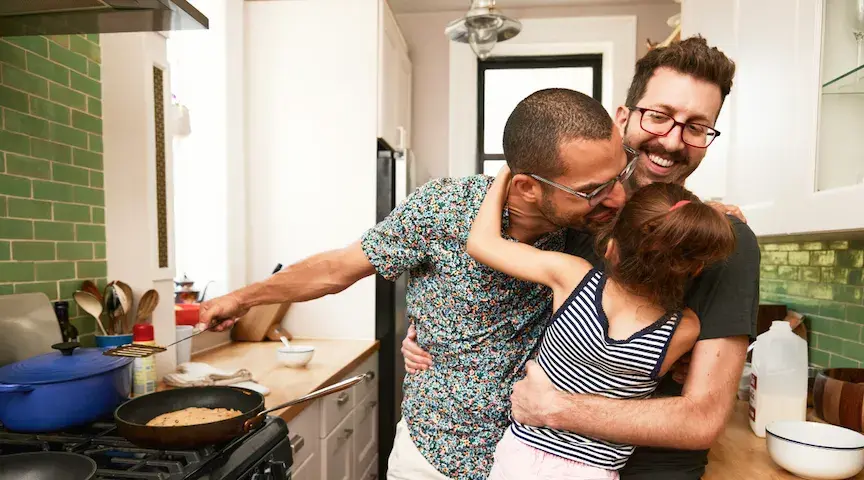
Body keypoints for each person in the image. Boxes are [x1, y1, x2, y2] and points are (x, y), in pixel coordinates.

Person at [197, 88, 634, 480]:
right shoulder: (445, 207)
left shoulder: (597, 235)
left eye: (620, 175)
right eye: (593, 190)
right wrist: (242, 297)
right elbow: (337, 269)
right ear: (526, 186)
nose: (616, 198)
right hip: (433, 457)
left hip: (536, 462)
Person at [402, 35, 760, 480]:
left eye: (696, 127)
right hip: (515, 457)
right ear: (624, 117)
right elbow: (503, 303)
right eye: (659, 117)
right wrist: (434, 331)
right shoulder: (572, 217)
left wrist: (556, 409)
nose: (672, 141)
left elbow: (703, 418)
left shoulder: (727, 243)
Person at [468, 167, 736, 479]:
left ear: (610, 248)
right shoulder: (684, 330)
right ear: (693, 269)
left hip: (521, 457)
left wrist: (506, 173)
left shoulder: (572, 277)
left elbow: (481, 242)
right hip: (594, 472)